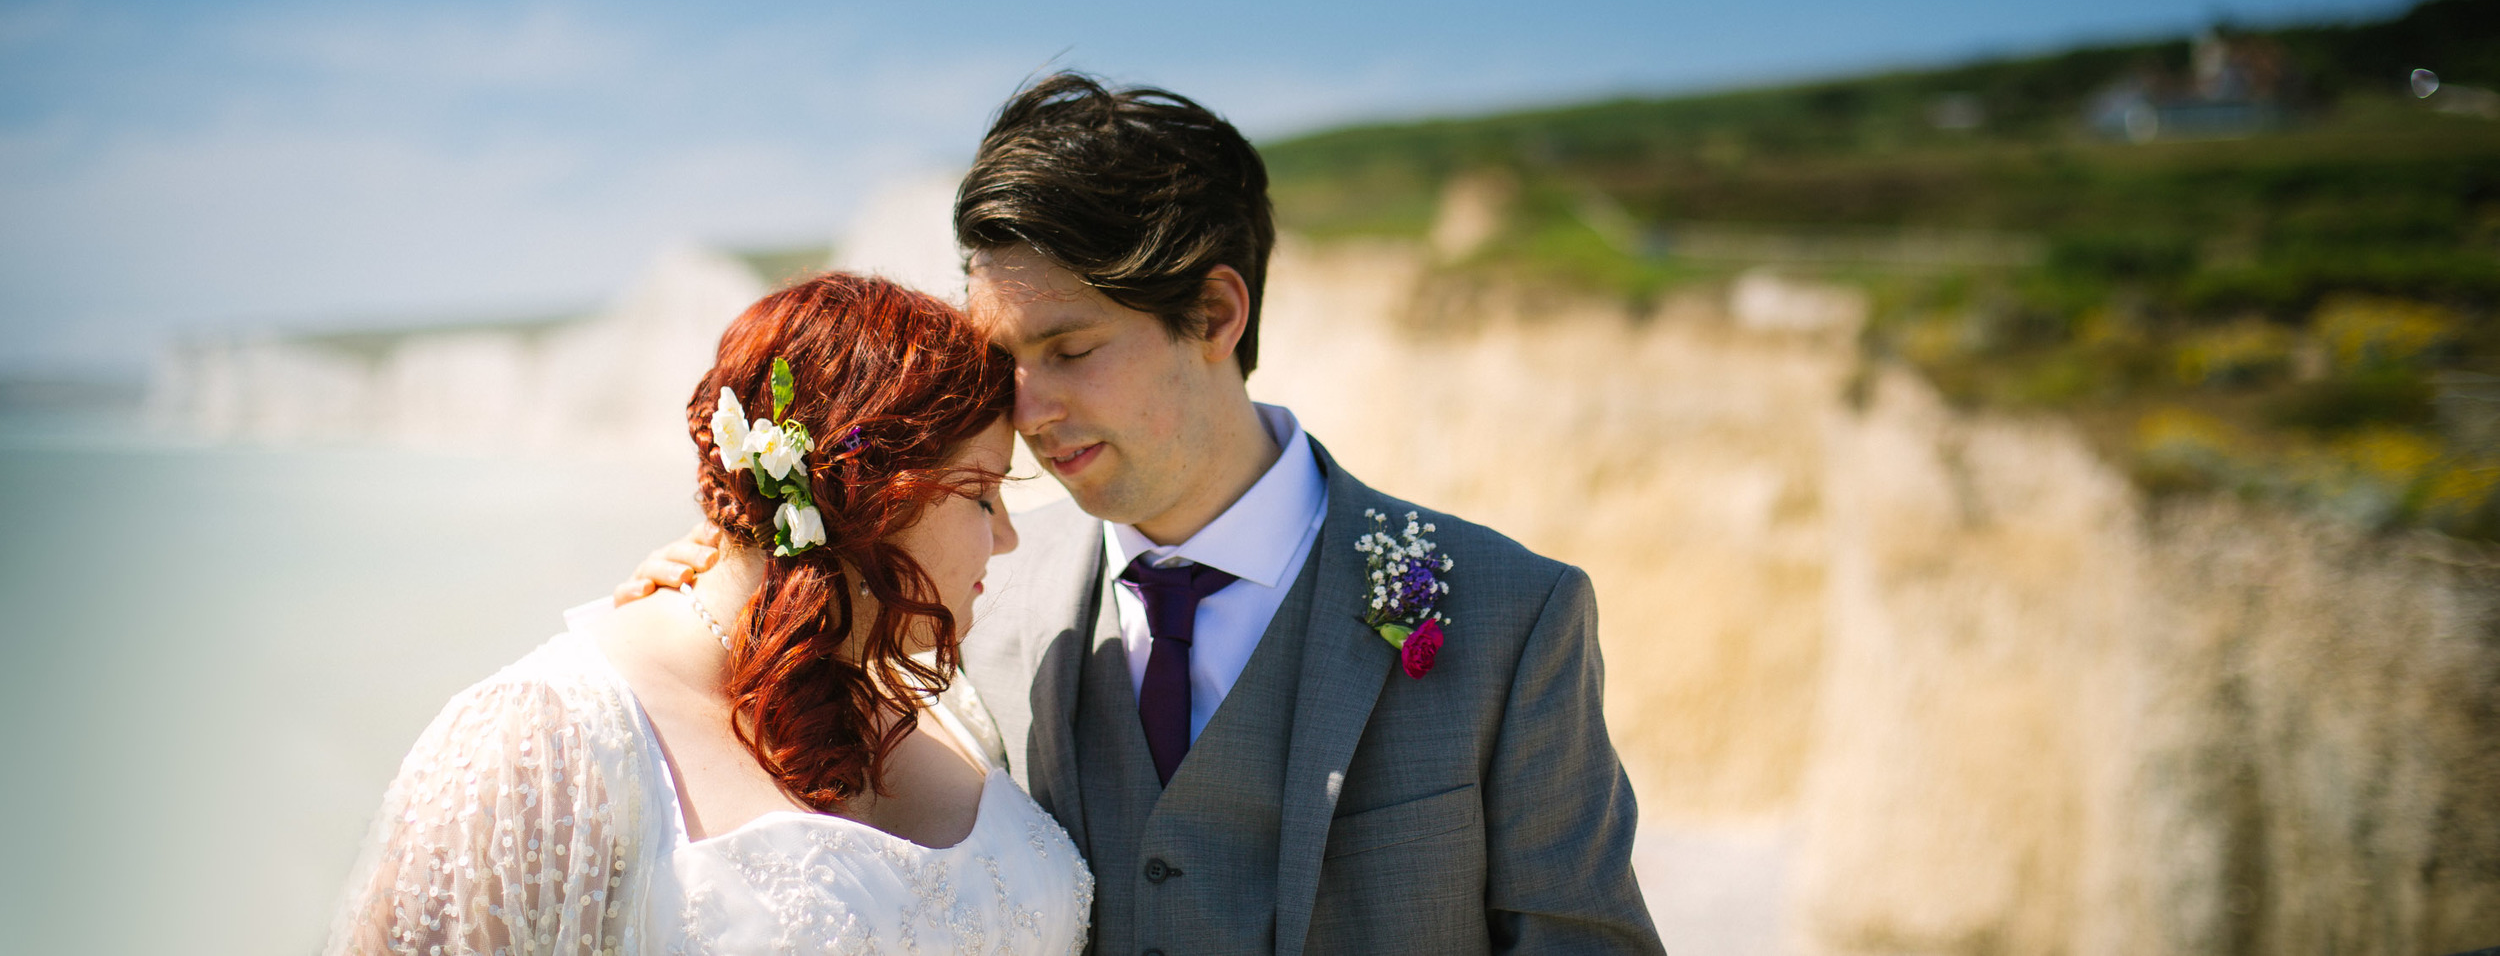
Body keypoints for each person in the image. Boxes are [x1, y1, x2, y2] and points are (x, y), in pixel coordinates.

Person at [629, 74, 1663, 956]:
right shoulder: (957, 616)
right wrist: (720, 588)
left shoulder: (1511, 618)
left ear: (1214, 314)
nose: (1027, 412)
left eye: (1070, 350)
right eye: (1007, 361)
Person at [328, 273, 1094, 956]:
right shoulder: (544, 743)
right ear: (868, 492)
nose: (1007, 536)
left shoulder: (953, 695)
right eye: (982, 493)